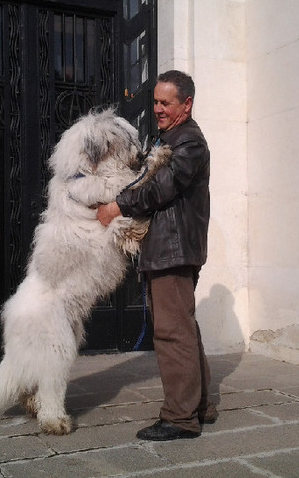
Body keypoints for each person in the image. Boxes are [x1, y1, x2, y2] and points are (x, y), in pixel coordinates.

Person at [97, 70, 215, 441]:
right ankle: (200, 406)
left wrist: (117, 206)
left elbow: (159, 189)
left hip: (173, 251)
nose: (159, 109)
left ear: (187, 104)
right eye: (156, 102)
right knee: (184, 329)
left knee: (171, 333)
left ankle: (180, 418)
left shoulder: (189, 144)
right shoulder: (170, 140)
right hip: (169, 249)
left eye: (167, 102)